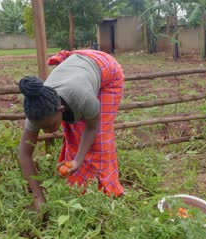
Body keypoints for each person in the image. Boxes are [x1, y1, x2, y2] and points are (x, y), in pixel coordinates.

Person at [18, 50, 125, 212]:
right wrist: (38, 197)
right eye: (42, 128)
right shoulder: (36, 110)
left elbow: (92, 127)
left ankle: (108, 193)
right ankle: (79, 187)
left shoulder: (82, 97)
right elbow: (24, 154)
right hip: (76, 70)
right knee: (74, 134)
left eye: (50, 125)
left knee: (99, 140)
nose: (47, 131)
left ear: (61, 109)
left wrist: (78, 160)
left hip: (106, 70)